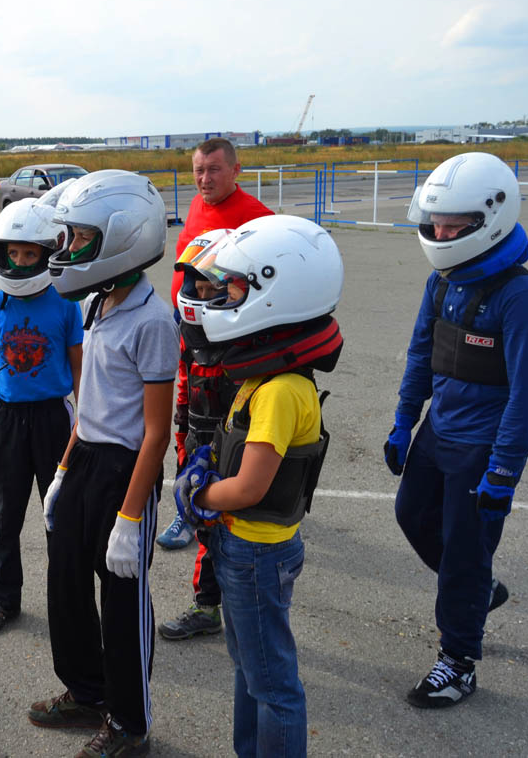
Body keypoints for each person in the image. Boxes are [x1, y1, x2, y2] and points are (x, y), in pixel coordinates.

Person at [384, 151, 528, 709]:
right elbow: (421, 354)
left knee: (463, 549)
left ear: (491, 220)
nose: (440, 234)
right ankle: (479, 588)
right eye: (436, 224)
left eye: (454, 226)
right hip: (438, 432)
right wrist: (404, 421)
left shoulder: (521, 299)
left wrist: (504, 470)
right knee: (412, 515)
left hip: (483, 446)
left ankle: (458, 661)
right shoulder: (442, 283)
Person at [176, 214, 345, 758]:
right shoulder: (264, 375)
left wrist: (197, 498)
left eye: (234, 291)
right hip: (246, 547)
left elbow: (249, 488)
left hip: (254, 551)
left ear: (279, 296)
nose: (223, 301)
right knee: (250, 668)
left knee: (272, 684)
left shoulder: (279, 389)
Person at [28, 169, 176, 758]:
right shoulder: (95, 302)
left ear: (124, 238)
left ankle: (129, 723)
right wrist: (63, 473)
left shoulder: (153, 321)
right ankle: (87, 691)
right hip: (85, 457)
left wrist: (131, 518)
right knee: (65, 586)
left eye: (82, 239)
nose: (69, 250)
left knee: (122, 605)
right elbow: (88, 403)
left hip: (125, 472)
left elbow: (156, 432)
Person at [0, 193, 83, 637]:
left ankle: (67, 601)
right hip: (9, 421)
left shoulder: (66, 303)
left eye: (29, 254)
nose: (19, 262)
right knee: (6, 515)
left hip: (54, 419)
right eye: (12, 254)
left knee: (61, 514)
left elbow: (79, 371)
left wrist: (86, 425)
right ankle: (2, 598)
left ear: (47, 253)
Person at [158, 138, 272, 552]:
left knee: (224, 423)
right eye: (198, 170)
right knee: (187, 420)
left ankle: (232, 501)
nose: (204, 179)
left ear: (236, 170)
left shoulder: (258, 218)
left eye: (214, 170)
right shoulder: (194, 206)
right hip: (188, 327)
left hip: (227, 338)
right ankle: (188, 503)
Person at [157, 229, 236, 644]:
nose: (203, 297)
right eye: (198, 288)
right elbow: (184, 389)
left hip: (238, 450)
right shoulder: (190, 336)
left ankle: (242, 608)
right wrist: (182, 440)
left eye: (212, 289)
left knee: (237, 532)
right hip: (199, 444)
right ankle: (206, 607)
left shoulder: (247, 340)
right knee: (205, 528)